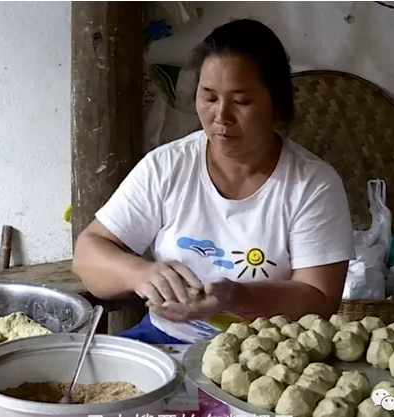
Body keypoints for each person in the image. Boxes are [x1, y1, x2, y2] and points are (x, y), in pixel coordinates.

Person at [71, 18, 355, 345]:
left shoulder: (312, 185)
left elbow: (320, 299)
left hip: (265, 354)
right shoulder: (168, 166)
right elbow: (87, 254)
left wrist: (237, 297)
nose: (221, 116)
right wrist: (140, 273)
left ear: (276, 106)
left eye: (241, 101)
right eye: (208, 97)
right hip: (166, 337)